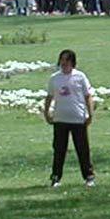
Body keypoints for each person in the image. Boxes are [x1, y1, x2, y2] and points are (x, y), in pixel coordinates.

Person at [43, 49, 95, 187]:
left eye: (67, 60)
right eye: (62, 59)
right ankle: (56, 177)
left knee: (82, 149)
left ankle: (89, 176)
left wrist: (90, 113)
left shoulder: (80, 77)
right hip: (60, 118)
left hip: (78, 118)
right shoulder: (55, 78)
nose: (64, 62)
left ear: (72, 62)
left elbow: (87, 96)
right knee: (59, 149)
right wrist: (47, 112)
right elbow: (49, 96)